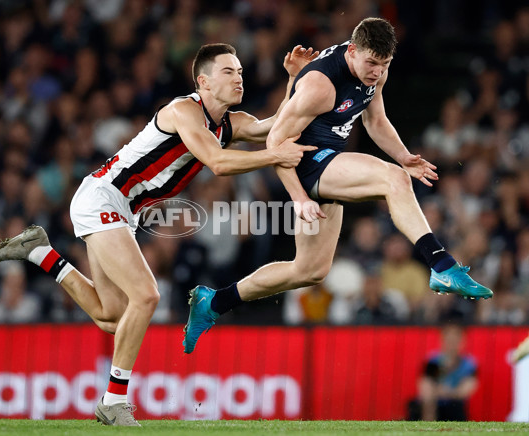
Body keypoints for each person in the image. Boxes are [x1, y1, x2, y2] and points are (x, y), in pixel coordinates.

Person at [0, 43, 318, 426]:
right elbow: (219, 163)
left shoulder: (231, 123)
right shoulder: (184, 111)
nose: (239, 76)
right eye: (229, 71)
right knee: (146, 295)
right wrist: (275, 157)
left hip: (120, 209)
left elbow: (274, 126)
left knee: (111, 315)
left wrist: (294, 78)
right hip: (102, 197)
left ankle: (39, 252)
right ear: (203, 82)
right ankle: (113, 402)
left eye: (240, 70)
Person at [183, 17, 493, 355]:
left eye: (384, 65)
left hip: (328, 163)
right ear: (353, 49)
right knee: (394, 180)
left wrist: (404, 155)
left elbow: (375, 120)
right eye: (372, 63)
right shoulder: (321, 84)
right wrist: (299, 198)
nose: (377, 72)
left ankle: (213, 301)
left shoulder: (375, 69)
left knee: (309, 270)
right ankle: (442, 265)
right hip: (303, 164)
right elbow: (275, 141)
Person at [408, 323, 478, 421]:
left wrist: (444, 392)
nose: (452, 342)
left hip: (454, 408)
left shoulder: (468, 365)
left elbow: (465, 391)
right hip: (433, 407)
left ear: (463, 340)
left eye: (455, 338)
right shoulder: (434, 362)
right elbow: (426, 388)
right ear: (442, 339)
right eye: (449, 338)